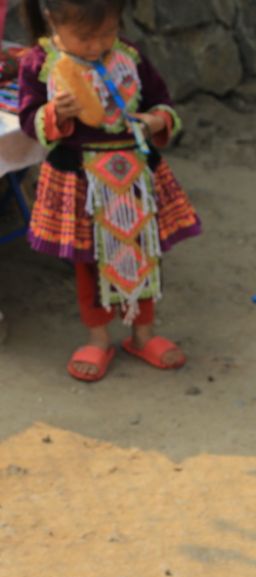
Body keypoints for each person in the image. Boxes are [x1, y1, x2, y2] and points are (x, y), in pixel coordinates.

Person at [17, 0, 199, 381]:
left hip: (134, 179)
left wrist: (154, 120)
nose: (98, 45)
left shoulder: (129, 57)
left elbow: (163, 103)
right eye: (85, 37)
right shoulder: (40, 63)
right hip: (80, 183)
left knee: (143, 253)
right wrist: (55, 114)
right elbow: (29, 121)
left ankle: (142, 333)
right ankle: (98, 338)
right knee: (88, 262)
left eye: (107, 33)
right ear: (53, 19)